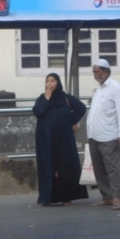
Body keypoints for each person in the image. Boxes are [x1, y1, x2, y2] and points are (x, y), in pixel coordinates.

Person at [32, 73, 89, 206]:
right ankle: (47, 197)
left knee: (65, 166)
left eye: (53, 81)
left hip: (64, 138)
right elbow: (37, 112)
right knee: (47, 165)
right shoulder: (42, 99)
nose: (50, 83)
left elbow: (81, 108)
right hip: (46, 139)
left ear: (58, 83)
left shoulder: (66, 98)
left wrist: (70, 121)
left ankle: (67, 197)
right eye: (48, 81)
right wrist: (47, 99)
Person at [86, 58, 120, 210]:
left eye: (96, 71)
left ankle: (116, 197)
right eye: (94, 72)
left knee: (112, 168)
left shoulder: (116, 88)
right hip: (95, 135)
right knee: (99, 169)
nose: (94, 75)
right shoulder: (99, 89)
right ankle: (107, 196)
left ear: (105, 71)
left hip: (109, 136)